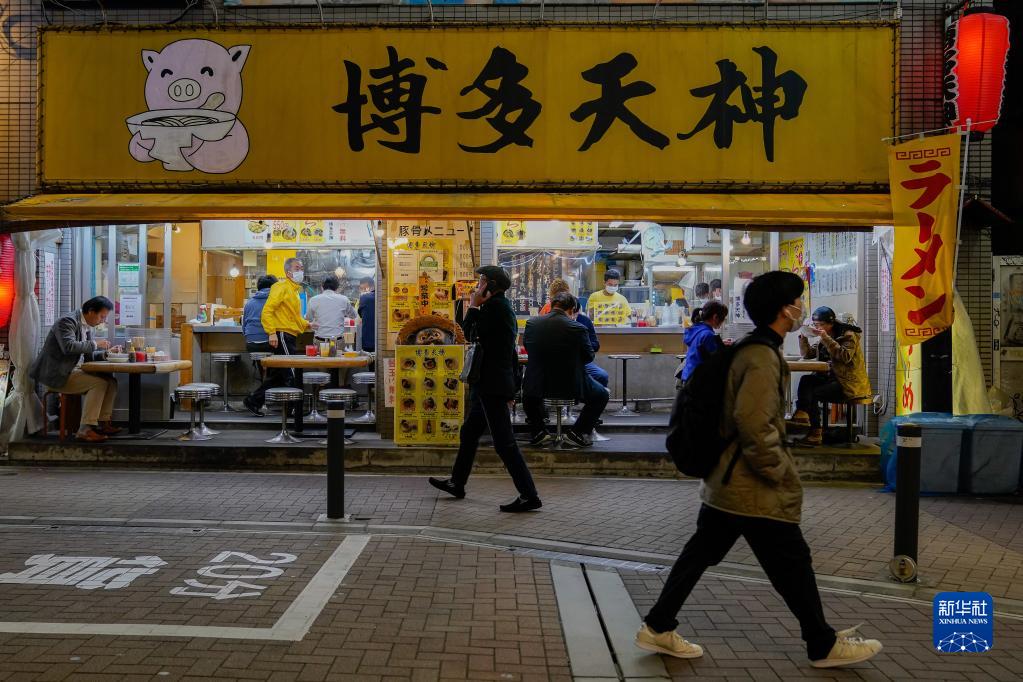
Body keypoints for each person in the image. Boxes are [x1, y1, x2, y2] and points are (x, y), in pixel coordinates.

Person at [634, 271, 882, 669]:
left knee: (704, 555)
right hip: (750, 484)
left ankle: (659, 626)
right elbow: (755, 425)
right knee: (792, 563)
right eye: (798, 301)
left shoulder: (752, 349)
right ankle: (821, 643)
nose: (802, 308)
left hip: (726, 482)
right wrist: (781, 473)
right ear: (785, 309)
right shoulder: (762, 357)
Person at [428, 266, 542, 513]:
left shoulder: (495, 309)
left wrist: (473, 305)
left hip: (492, 385)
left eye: (480, 281)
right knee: (469, 432)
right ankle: (457, 482)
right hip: (489, 384)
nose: (476, 285)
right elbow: (505, 348)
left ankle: (529, 494)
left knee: (504, 443)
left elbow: (467, 333)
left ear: (490, 285)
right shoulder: (499, 307)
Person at [522, 292, 610, 448]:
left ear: (552, 305)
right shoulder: (578, 328)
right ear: (571, 310)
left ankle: (539, 432)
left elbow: (529, 349)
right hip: (570, 385)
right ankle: (577, 433)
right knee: (601, 395)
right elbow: (589, 357)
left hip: (537, 384)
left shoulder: (532, 324)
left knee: (528, 395)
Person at [30, 296, 121, 443]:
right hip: (58, 375)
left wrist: (106, 353)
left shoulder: (86, 326)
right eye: (102, 316)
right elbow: (69, 347)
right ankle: (85, 429)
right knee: (100, 384)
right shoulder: (67, 322)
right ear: (91, 311)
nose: (103, 321)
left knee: (111, 382)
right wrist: (95, 344)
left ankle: (102, 423)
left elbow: (88, 355)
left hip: (73, 371)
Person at [788, 306, 872, 446]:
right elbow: (808, 354)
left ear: (830, 324)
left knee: (813, 392)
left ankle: (815, 432)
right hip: (831, 379)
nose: (817, 327)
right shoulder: (825, 336)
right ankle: (802, 413)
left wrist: (825, 338)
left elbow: (845, 356)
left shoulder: (848, 335)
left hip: (847, 384)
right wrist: (803, 338)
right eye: (815, 325)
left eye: (820, 325)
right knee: (806, 380)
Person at [244, 258, 309, 414]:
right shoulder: (281, 287)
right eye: (297, 268)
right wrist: (272, 333)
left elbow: (292, 316)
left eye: (301, 268)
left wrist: (308, 324)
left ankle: (254, 400)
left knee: (279, 374)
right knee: (292, 371)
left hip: (288, 334)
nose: (300, 271)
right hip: (283, 335)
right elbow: (267, 311)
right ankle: (294, 409)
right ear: (288, 272)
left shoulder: (293, 290)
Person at [241, 275, 279, 416]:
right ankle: (257, 400)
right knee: (278, 373)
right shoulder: (275, 300)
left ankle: (258, 400)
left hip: (252, 344)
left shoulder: (249, 302)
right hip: (270, 343)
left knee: (268, 373)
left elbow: (243, 326)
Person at [678, 301, 728, 383]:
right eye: (723, 318)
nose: (723, 322)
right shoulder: (708, 334)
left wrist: (719, 343)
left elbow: (701, 347)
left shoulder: (696, 329)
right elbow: (716, 359)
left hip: (688, 377)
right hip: (698, 381)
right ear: (715, 317)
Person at [306, 274, 355, 341]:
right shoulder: (344, 299)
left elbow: (308, 319)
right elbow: (353, 315)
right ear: (336, 287)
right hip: (338, 340)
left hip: (320, 340)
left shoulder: (313, 300)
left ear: (322, 287)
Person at [572, 302, 609, 388]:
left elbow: (595, 345)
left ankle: (598, 398)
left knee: (602, 376)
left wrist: (584, 344)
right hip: (562, 362)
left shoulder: (584, 321)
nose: (573, 316)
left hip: (583, 361)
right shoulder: (558, 322)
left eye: (575, 312)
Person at [357, 277, 375, 352]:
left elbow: (360, 315)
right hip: (380, 338)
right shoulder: (380, 296)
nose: (362, 290)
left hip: (368, 339)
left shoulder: (364, 297)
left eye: (363, 288)